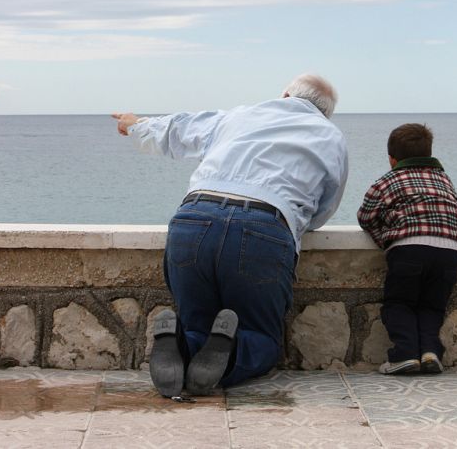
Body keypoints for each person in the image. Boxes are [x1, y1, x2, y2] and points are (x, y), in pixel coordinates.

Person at [112, 74, 348, 396]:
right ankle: (232, 353)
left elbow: (177, 130)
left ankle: (181, 345)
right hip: (265, 225)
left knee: (197, 323)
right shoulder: (330, 137)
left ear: (285, 94)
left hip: (193, 217)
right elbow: (325, 206)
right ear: (326, 113)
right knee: (261, 337)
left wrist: (135, 124)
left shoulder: (239, 115)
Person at [357, 123, 457, 375]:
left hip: (408, 249)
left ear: (391, 159)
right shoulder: (444, 179)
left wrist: (384, 237)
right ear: (429, 153)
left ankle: (405, 354)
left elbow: (365, 216)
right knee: (432, 306)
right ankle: (430, 352)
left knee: (398, 303)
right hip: (449, 251)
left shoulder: (388, 180)